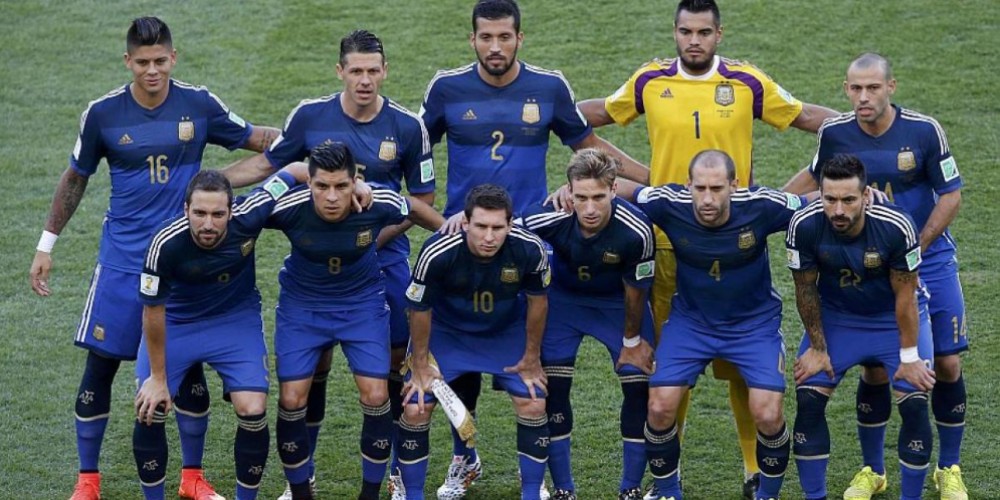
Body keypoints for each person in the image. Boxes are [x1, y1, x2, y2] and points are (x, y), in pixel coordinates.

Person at [573, 1, 838, 496]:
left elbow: (805, 116)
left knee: (744, 366)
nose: (693, 40)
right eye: (684, 31)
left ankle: (753, 468)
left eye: (703, 32)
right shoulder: (650, 80)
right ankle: (666, 478)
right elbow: (599, 115)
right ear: (674, 33)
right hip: (666, 238)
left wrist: (857, 128)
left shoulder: (746, 82)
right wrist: (545, 111)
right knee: (672, 361)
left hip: (737, 239)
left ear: (719, 34)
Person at [27, 16, 280, 500]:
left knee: (185, 372)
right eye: (142, 62)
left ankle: (191, 478)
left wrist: (312, 135)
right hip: (122, 264)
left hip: (183, 265)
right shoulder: (103, 113)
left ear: (173, 58)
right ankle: (88, 481)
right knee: (100, 368)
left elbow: (256, 139)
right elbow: (76, 177)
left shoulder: (199, 103)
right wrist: (46, 243)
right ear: (127, 61)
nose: (151, 71)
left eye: (160, 61)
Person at [419, 2, 645, 496]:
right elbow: (417, 153)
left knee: (530, 364)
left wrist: (655, 181)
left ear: (521, 38)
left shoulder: (548, 87)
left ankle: (535, 475)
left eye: (504, 37)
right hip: (464, 244)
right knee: (463, 360)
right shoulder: (446, 89)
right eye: (485, 37)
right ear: (472, 39)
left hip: (531, 246)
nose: (495, 47)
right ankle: (464, 458)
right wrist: (438, 219)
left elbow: (588, 146)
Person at [224, 29, 434, 500]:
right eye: (355, 71)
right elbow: (267, 167)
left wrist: (367, 239)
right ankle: (305, 473)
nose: (364, 80)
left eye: (372, 71)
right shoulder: (309, 115)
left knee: (396, 362)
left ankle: (399, 469)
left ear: (385, 71)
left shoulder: (406, 126)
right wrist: (211, 187)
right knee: (310, 369)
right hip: (317, 264)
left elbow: (421, 201)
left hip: (386, 257)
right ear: (340, 71)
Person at [783, 53, 968, 500]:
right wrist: (759, 207)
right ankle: (873, 469)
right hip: (863, 262)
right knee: (876, 369)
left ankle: (949, 468)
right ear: (846, 90)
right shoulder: (834, 132)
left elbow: (951, 195)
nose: (864, 97)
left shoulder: (924, 131)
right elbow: (814, 179)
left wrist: (914, 252)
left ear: (891, 87)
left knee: (944, 364)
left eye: (873, 88)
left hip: (929, 258)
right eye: (855, 88)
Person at [618, 150, 804, 500]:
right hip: (692, 323)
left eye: (716, 188)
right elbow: (623, 189)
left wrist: (864, 196)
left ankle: (767, 494)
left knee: (767, 412)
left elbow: (815, 202)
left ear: (734, 185)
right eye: (699, 188)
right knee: (659, 406)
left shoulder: (761, 204)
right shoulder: (669, 202)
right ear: (687, 185)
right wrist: (580, 189)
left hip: (753, 325)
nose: (707, 198)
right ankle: (668, 491)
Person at [265, 142, 443, 500]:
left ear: (355, 182)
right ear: (309, 184)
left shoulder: (378, 200)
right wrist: (295, 172)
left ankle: (369, 495)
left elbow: (418, 209)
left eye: (342, 186)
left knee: (377, 395)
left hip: (361, 305)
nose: (332, 197)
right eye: (322, 186)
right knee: (291, 398)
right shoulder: (285, 207)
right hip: (303, 308)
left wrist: (454, 235)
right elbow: (240, 217)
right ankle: (301, 492)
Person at [133, 168, 302, 500]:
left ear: (232, 209)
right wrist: (157, 376)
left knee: (253, 409)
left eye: (217, 214)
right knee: (149, 408)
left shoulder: (252, 212)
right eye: (199, 213)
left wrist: (351, 184)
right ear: (185, 210)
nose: (208, 224)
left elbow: (294, 171)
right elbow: (153, 311)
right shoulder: (164, 244)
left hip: (233, 321)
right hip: (177, 324)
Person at [786, 154, 936, 500]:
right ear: (820, 194)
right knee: (808, 396)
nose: (838, 210)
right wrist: (817, 347)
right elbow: (805, 288)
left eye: (849, 200)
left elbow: (906, 297)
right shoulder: (804, 224)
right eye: (830, 199)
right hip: (839, 318)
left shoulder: (896, 226)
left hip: (893, 319)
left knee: (913, 401)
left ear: (866, 196)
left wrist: (910, 356)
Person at [517, 149, 656, 500]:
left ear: (613, 189)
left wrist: (631, 341)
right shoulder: (549, 216)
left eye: (598, 197)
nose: (590, 208)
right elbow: (508, 237)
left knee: (639, 387)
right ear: (569, 192)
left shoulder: (636, 230)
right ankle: (564, 489)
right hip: (565, 303)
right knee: (554, 390)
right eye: (581, 197)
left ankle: (631, 488)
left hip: (617, 305)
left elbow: (637, 291)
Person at [398, 184, 551, 500]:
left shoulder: (530, 248)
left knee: (534, 399)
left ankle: (533, 491)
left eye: (498, 227)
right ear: (465, 222)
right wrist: (421, 364)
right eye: (481, 226)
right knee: (415, 406)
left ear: (510, 224)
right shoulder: (437, 251)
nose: (489, 236)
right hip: (449, 333)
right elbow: (418, 308)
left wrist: (532, 357)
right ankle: (413, 493)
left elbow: (538, 303)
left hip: (504, 331)